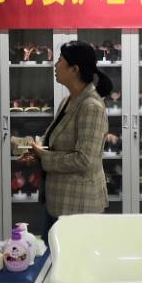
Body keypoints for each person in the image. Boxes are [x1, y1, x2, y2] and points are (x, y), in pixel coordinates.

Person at [19, 41, 111, 235]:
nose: (55, 65)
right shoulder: (67, 102)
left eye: (60, 60)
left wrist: (43, 157)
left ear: (74, 69)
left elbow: (84, 160)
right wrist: (37, 153)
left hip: (79, 206)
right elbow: (56, 143)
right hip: (57, 202)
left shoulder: (91, 106)